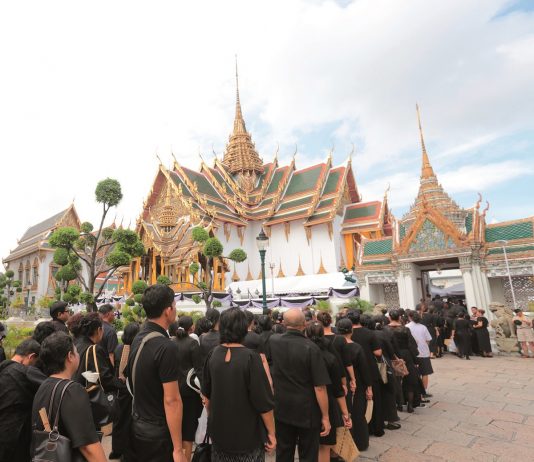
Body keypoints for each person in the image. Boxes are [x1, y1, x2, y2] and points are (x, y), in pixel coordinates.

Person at [202, 307, 276, 462]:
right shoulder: (251, 358)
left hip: (220, 433)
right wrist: (271, 432)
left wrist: (213, 416)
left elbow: (206, 397)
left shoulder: (212, 355)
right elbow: (263, 402)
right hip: (247, 435)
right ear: (243, 328)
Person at [124, 284, 187, 462]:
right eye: (174, 305)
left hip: (137, 425)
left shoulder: (139, 337)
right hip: (158, 433)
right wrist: (178, 449)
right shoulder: (166, 347)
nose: (175, 309)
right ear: (168, 311)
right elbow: (172, 400)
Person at [266, 308, 331, 462]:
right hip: (307, 408)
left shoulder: (274, 341)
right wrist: (325, 416)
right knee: (308, 452)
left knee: (284, 451)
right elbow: (319, 387)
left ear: (283, 323)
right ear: (304, 324)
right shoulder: (311, 348)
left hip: (282, 405)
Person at [31, 332, 107, 461]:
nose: (78, 355)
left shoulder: (44, 386)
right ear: (70, 356)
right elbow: (88, 446)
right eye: (76, 352)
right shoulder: (72, 390)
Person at [305, 321, 351, 462]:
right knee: (324, 445)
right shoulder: (330, 358)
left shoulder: (301, 354)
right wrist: (345, 413)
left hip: (305, 403)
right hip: (327, 404)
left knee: (307, 445)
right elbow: (338, 390)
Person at [0, 338, 41, 462]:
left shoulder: (2, 368)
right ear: (31, 356)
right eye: (35, 363)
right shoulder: (25, 372)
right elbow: (50, 385)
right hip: (16, 437)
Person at [73, 313, 124, 408]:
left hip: (77, 395)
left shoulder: (77, 344)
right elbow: (103, 378)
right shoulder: (93, 349)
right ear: (99, 330)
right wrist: (120, 382)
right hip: (93, 401)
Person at [336, 318, 372, 451]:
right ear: (351, 330)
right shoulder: (356, 347)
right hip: (356, 382)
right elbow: (364, 369)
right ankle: (361, 443)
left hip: (339, 382)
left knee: (342, 413)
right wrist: (369, 386)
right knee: (358, 413)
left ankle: (343, 445)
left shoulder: (334, 345)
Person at [349, 310, 384, 437]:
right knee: (374, 399)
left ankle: (362, 429)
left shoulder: (345, 335)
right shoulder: (369, 333)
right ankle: (377, 427)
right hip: (370, 368)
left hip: (353, 371)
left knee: (358, 401)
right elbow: (378, 352)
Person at [173, 316, 203, 462]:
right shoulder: (192, 343)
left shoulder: (170, 343)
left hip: (172, 392)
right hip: (190, 393)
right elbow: (199, 369)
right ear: (191, 327)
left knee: (175, 429)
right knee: (188, 431)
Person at [110, 322, 141, 460]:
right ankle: (127, 452)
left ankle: (116, 449)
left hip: (119, 388)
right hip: (129, 388)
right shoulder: (134, 348)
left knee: (119, 419)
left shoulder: (119, 348)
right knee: (129, 421)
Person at [385, 310, 420, 413]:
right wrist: (415, 359)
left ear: (389, 317)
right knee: (409, 379)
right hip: (406, 354)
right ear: (399, 317)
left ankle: (399, 404)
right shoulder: (405, 329)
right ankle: (410, 405)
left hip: (392, 355)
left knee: (395, 380)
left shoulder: (385, 329)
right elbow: (411, 344)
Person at [406, 311, 434, 396]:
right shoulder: (423, 327)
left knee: (414, 374)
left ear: (409, 317)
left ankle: (416, 392)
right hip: (424, 352)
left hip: (412, 353)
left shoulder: (407, 327)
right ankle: (424, 392)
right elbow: (428, 339)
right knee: (425, 373)